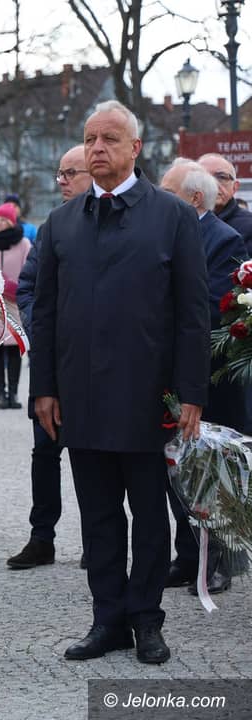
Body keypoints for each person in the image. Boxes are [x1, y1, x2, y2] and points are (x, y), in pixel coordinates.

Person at [32, 101, 209, 665]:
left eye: (110, 138)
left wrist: (191, 392)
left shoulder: (172, 216)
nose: (97, 148)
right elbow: (45, 313)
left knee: (151, 518)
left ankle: (146, 619)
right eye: (90, 139)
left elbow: (193, 312)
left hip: (148, 397)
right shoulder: (61, 223)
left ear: (136, 148)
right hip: (81, 397)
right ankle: (107, 619)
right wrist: (43, 388)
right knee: (99, 517)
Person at [158, 158, 248, 596]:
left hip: (212, 379)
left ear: (194, 198)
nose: (158, 202)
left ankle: (222, 561)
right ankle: (189, 555)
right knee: (180, 468)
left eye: (168, 194)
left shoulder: (223, 238)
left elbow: (212, 308)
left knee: (213, 471)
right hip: (174, 373)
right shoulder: (170, 234)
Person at [7, 144, 93, 571]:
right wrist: (42, 324)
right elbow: (27, 288)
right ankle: (42, 537)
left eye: (70, 173)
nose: (62, 181)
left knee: (91, 457)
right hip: (51, 362)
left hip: (91, 366)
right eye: (59, 173)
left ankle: (97, 539)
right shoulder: (53, 226)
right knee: (45, 453)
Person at [0, 202, 30, 410]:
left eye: (4, 220)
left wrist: (16, 289)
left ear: (12, 222)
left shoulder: (23, 244)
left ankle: (13, 393)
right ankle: (1, 395)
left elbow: (29, 270)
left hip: (14, 302)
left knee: (14, 349)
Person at [197, 153, 252, 253]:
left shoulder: (249, 227)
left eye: (221, 177)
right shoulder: (181, 222)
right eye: (203, 177)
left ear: (235, 187)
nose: (212, 183)